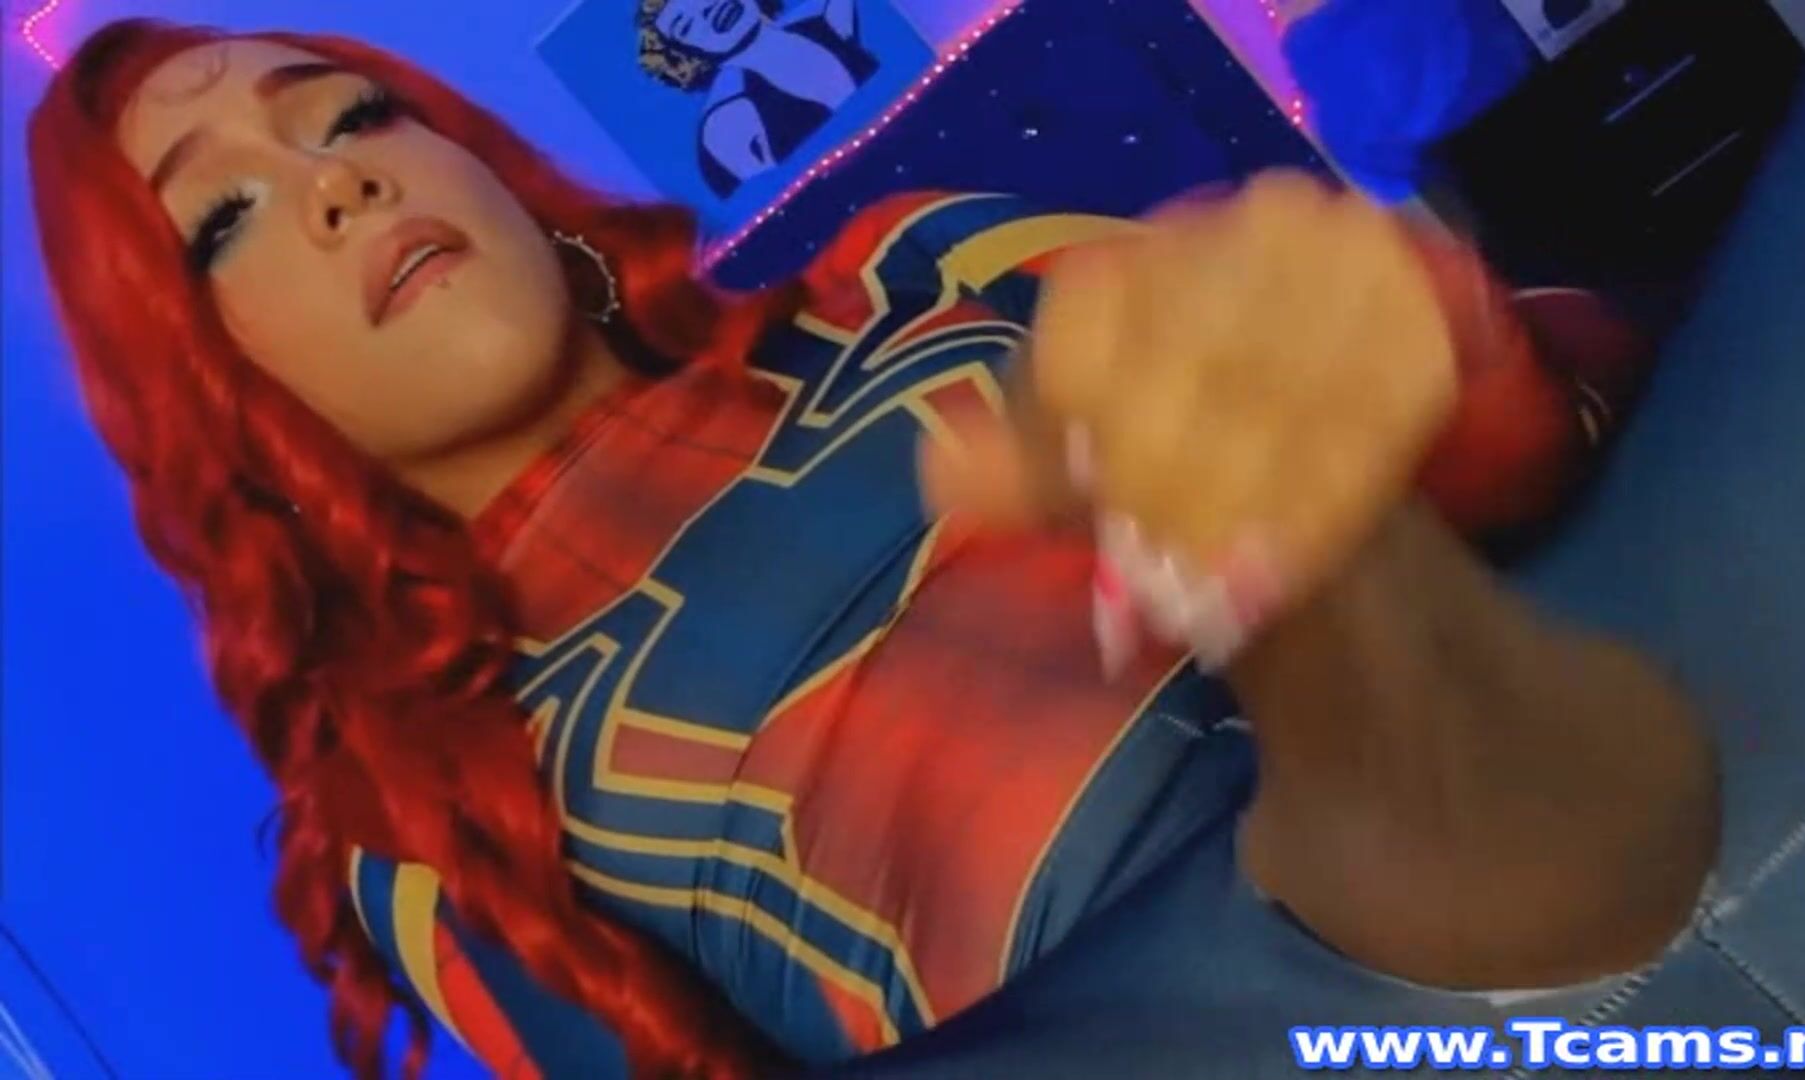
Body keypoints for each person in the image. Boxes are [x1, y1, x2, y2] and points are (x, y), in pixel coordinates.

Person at [28, 18, 1716, 1079]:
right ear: (213, 396)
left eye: (349, 120)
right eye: (225, 217)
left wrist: (1458, 370)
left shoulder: (919, 276)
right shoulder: (435, 818)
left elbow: (1628, 402)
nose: (337, 186)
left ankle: (1334, 620)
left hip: (1632, 759)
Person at [634, 0, 876, 197]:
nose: (707, 9)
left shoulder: (829, 12)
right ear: (686, 55)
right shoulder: (726, 123)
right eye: (686, 25)